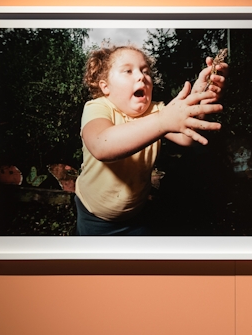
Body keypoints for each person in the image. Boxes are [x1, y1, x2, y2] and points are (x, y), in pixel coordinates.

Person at [74, 45, 228, 236]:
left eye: (145, 71)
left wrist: (200, 97)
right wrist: (163, 121)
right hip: (95, 217)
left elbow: (187, 138)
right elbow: (100, 145)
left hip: (137, 212)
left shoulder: (156, 110)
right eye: (128, 71)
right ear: (105, 87)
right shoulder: (98, 107)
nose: (141, 77)